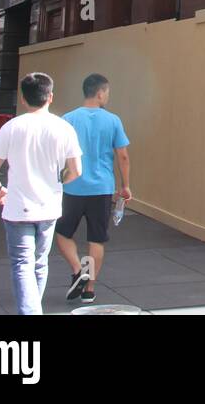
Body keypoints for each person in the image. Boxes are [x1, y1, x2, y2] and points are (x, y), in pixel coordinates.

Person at [0, 73, 82, 315]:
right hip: (49, 205)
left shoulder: (12, 127)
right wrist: (60, 181)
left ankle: (30, 312)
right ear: (50, 97)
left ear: (23, 99)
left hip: (18, 206)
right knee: (40, 263)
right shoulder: (64, 128)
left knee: (21, 264)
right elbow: (76, 170)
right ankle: (33, 309)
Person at [56, 72, 131, 303]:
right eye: (107, 92)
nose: (107, 96)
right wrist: (125, 186)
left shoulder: (68, 119)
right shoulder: (113, 120)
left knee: (62, 233)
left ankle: (78, 269)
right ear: (100, 93)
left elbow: (59, 154)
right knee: (96, 239)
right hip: (102, 189)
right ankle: (89, 288)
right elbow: (123, 156)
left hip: (73, 187)